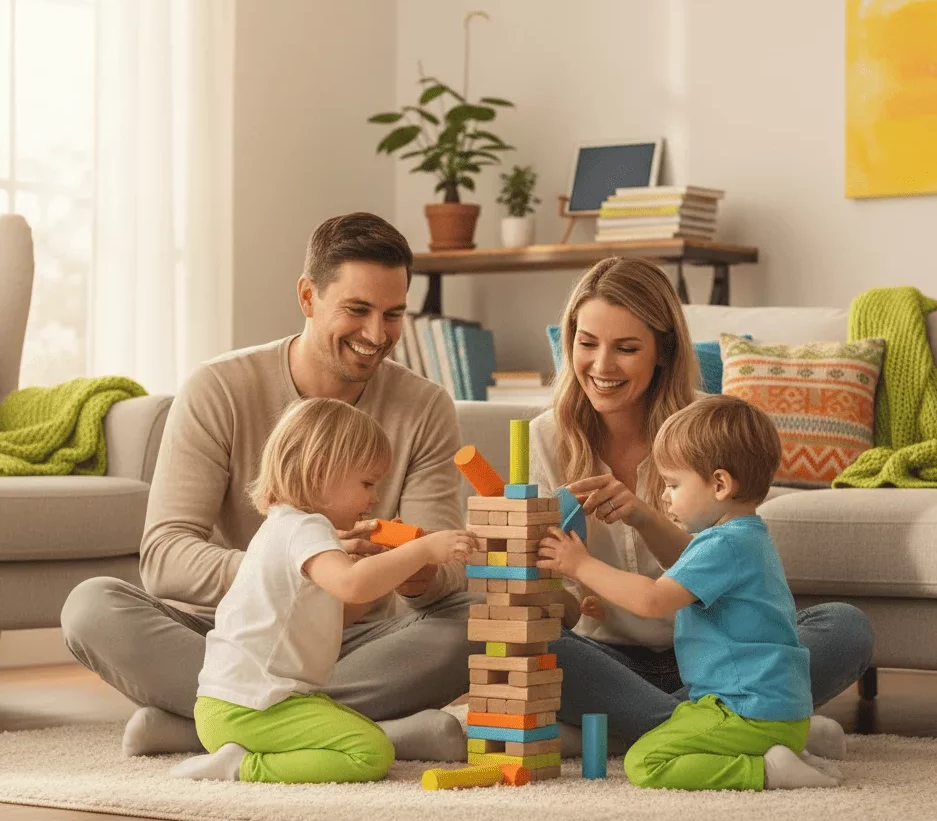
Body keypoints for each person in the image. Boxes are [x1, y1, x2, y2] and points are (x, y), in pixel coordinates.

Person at [62, 213, 475, 763]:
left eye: (393, 314)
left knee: (477, 623)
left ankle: (208, 728)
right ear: (308, 296)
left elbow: (437, 575)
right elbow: (164, 557)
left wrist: (417, 567)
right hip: (232, 637)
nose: (377, 335)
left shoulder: (424, 407)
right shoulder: (219, 388)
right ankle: (376, 732)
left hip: (354, 641)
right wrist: (296, 571)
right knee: (91, 608)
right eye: (357, 310)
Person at [528, 257, 873, 751]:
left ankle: (651, 728)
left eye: (626, 348)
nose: (601, 366)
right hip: (610, 660)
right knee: (525, 641)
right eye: (587, 344)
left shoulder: (705, 429)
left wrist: (643, 517)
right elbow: (551, 600)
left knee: (845, 626)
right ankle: (746, 726)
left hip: (719, 657)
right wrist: (555, 594)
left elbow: (718, 561)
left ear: (663, 351)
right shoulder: (545, 436)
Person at [539, 395, 845, 791]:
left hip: (744, 710)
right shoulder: (746, 538)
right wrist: (609, 597)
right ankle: (781, 749)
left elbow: (652, 600)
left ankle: (765, 770)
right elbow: (676, 600)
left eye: (672, 484)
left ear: (719, 484)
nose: (664, 496)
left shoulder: (721, 545)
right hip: (765, 708)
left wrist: (580, 565)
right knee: (679, 725)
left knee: (645, 762)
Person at [170, 398, 476, 784]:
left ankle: (231, 748)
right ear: (318, 473)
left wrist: (385, 565)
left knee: (357, 726)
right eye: (367, 483)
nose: (374, 498)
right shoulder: (306, 528)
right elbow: (352, 585)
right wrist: (421, 550)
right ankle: (242, 766)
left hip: (236, 703)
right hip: (251, 706)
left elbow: (341, 608)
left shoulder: (285, 527)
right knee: (370, 752)